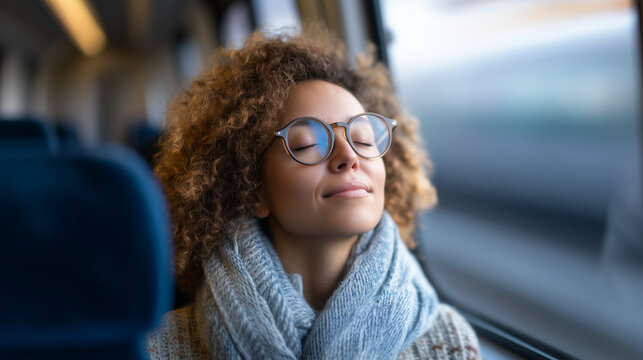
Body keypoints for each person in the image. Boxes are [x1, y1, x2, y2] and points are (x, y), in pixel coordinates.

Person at [145, 26, 480, 360]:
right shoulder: (162, 347)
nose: (349, 157)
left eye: (363, 139)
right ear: (251, 189)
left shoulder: (448, 342)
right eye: (307, 144)